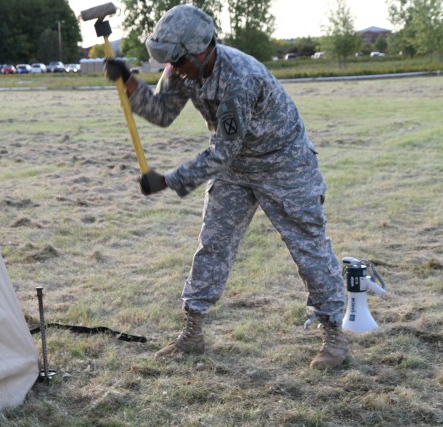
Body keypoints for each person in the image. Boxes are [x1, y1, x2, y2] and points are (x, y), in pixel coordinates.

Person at [104, 4, 348, 369]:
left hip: (283, 164)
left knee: (308, 245)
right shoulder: (183, 68)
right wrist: (130, 83)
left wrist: (169, 180)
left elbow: (222, 152)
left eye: (179, 62)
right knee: (213, 243)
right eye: (170, 64)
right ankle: (193, 331)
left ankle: (334, 335)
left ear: (202, 50)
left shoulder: (240, 77)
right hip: (235, 168)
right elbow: (162, 112)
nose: (175, 71)